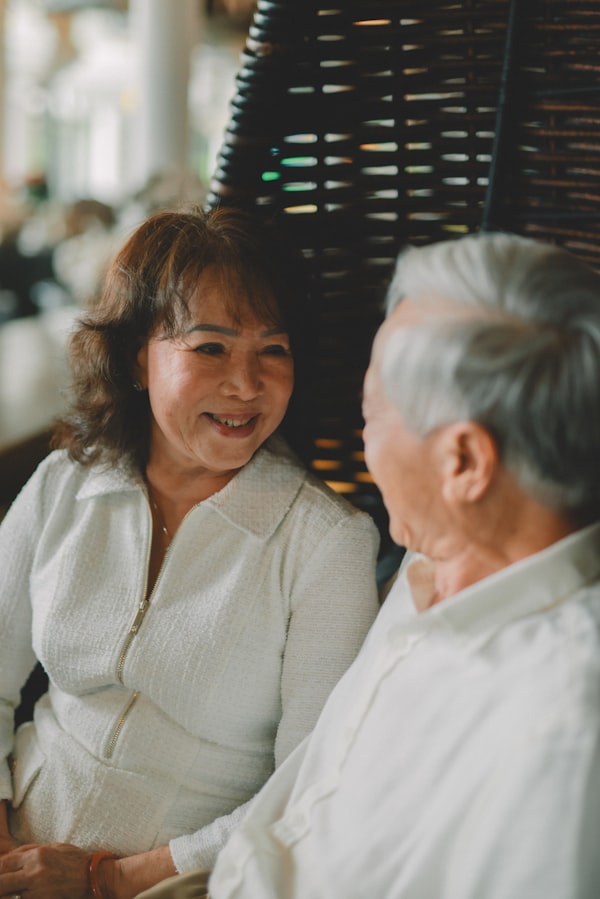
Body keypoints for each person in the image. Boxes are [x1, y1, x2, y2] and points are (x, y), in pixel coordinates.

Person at [138, 231, 600, 899]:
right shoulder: (434, 560)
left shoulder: (563, 732)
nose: (362, 441)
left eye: (373, 413)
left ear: (463, 462)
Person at [0, 207, 381, 898]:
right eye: (210, 347)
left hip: (181, 883)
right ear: (136, 357)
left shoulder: (327, 543)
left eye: (274, 349)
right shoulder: (66, 481)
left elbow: (308, 786)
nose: (246, 383)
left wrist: (106, 879)